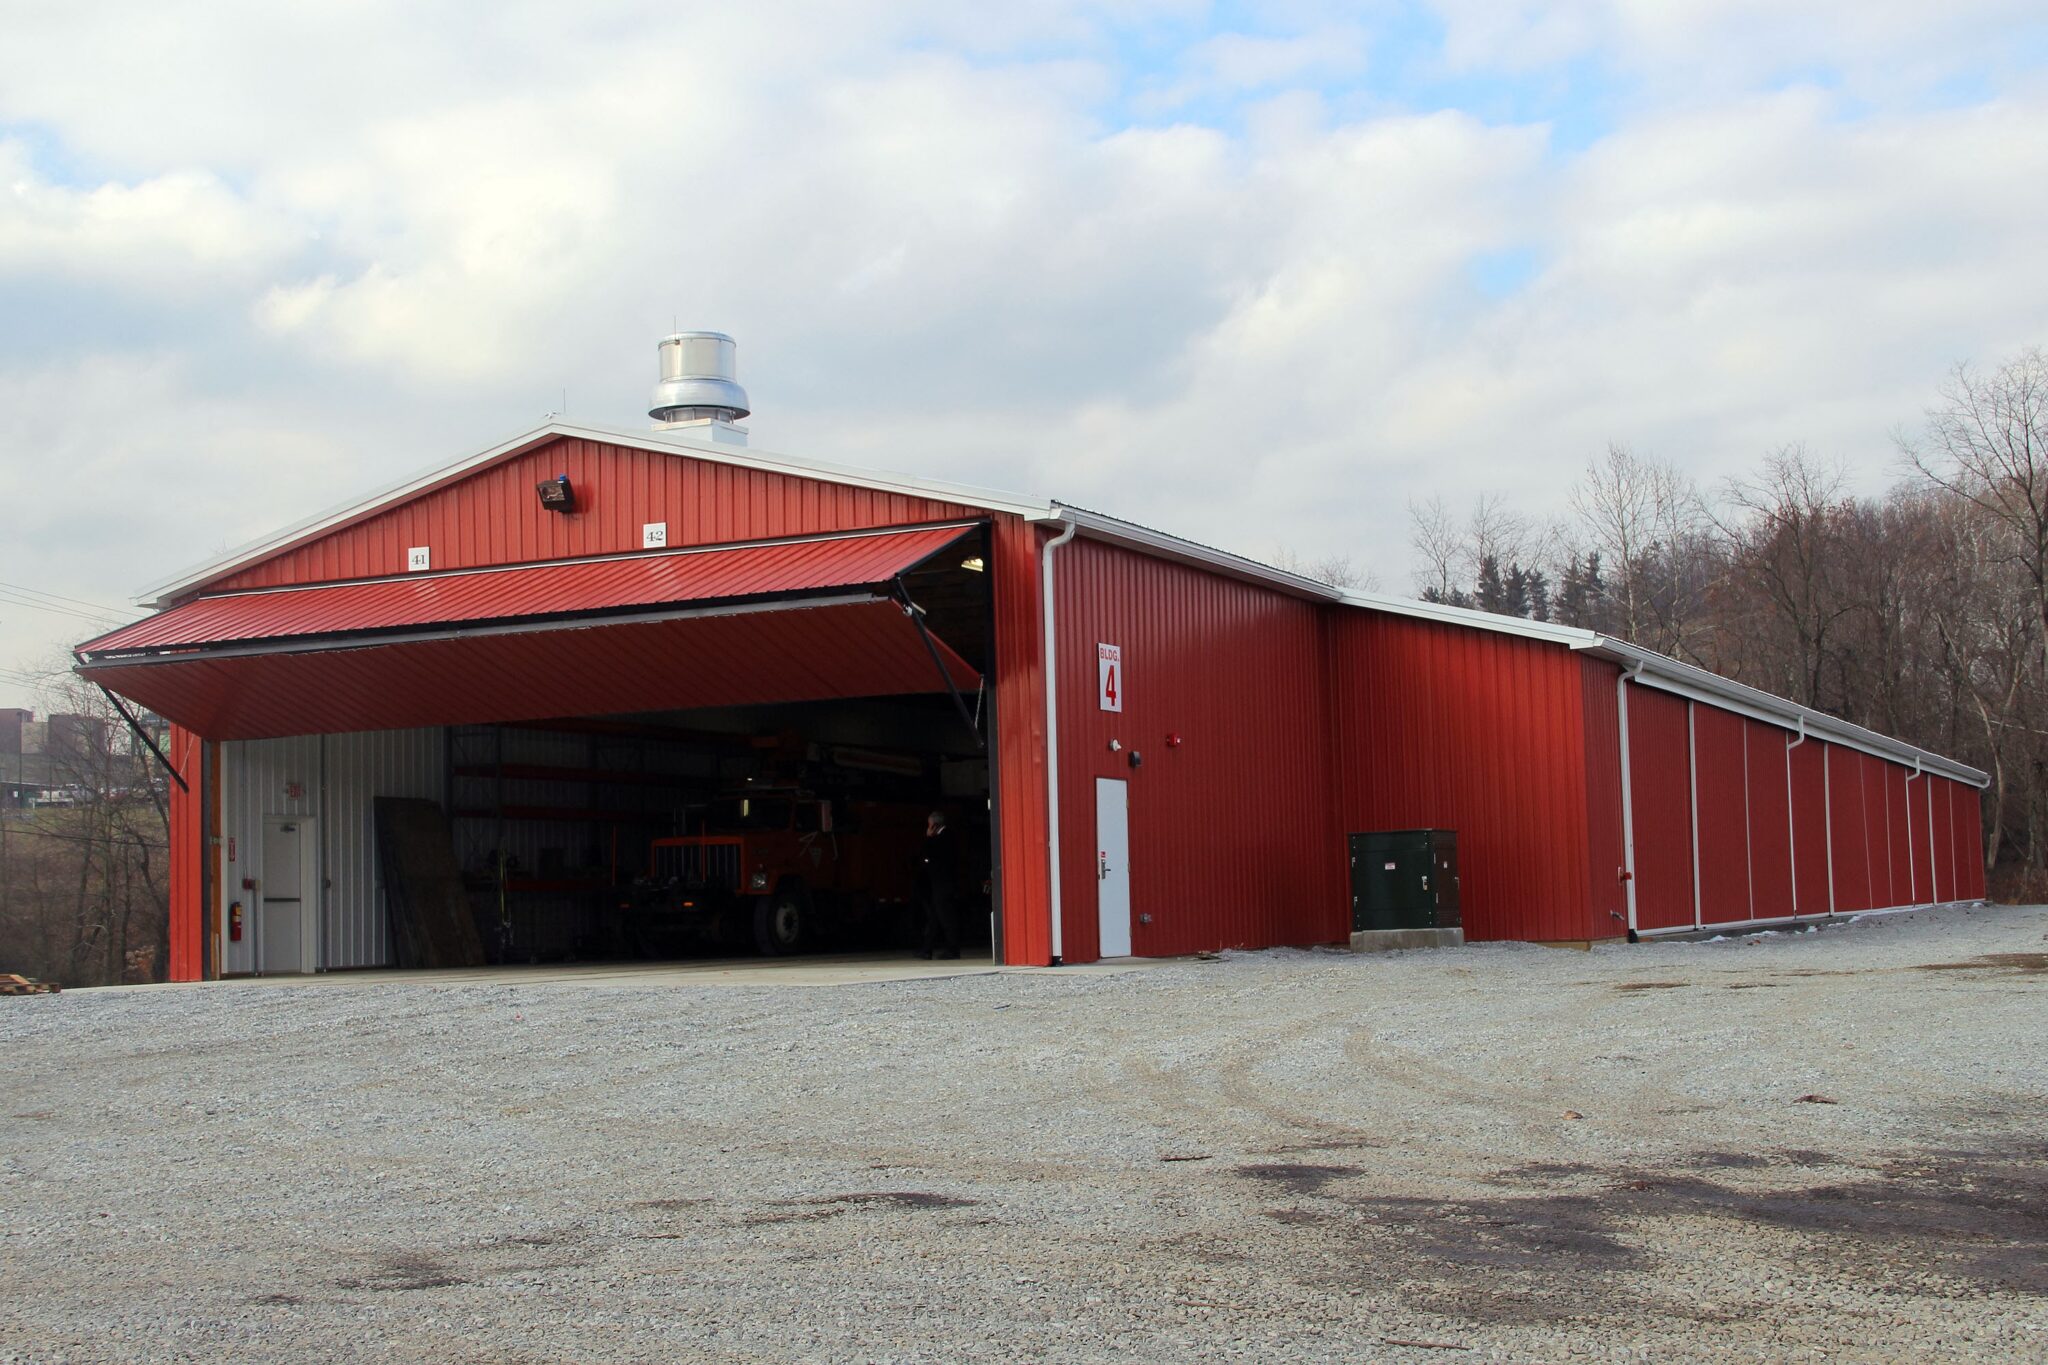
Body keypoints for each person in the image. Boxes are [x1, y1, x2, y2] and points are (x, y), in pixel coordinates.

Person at [914, 809, 961, 960]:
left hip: (942, 884)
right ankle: (926, 949)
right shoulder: (947, 837)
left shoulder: (943, 838)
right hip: (941, 885)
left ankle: (953, 950)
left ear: (934, 825)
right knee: (935, 918)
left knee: (946, 918)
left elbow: (931, 855)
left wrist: (928, 838)